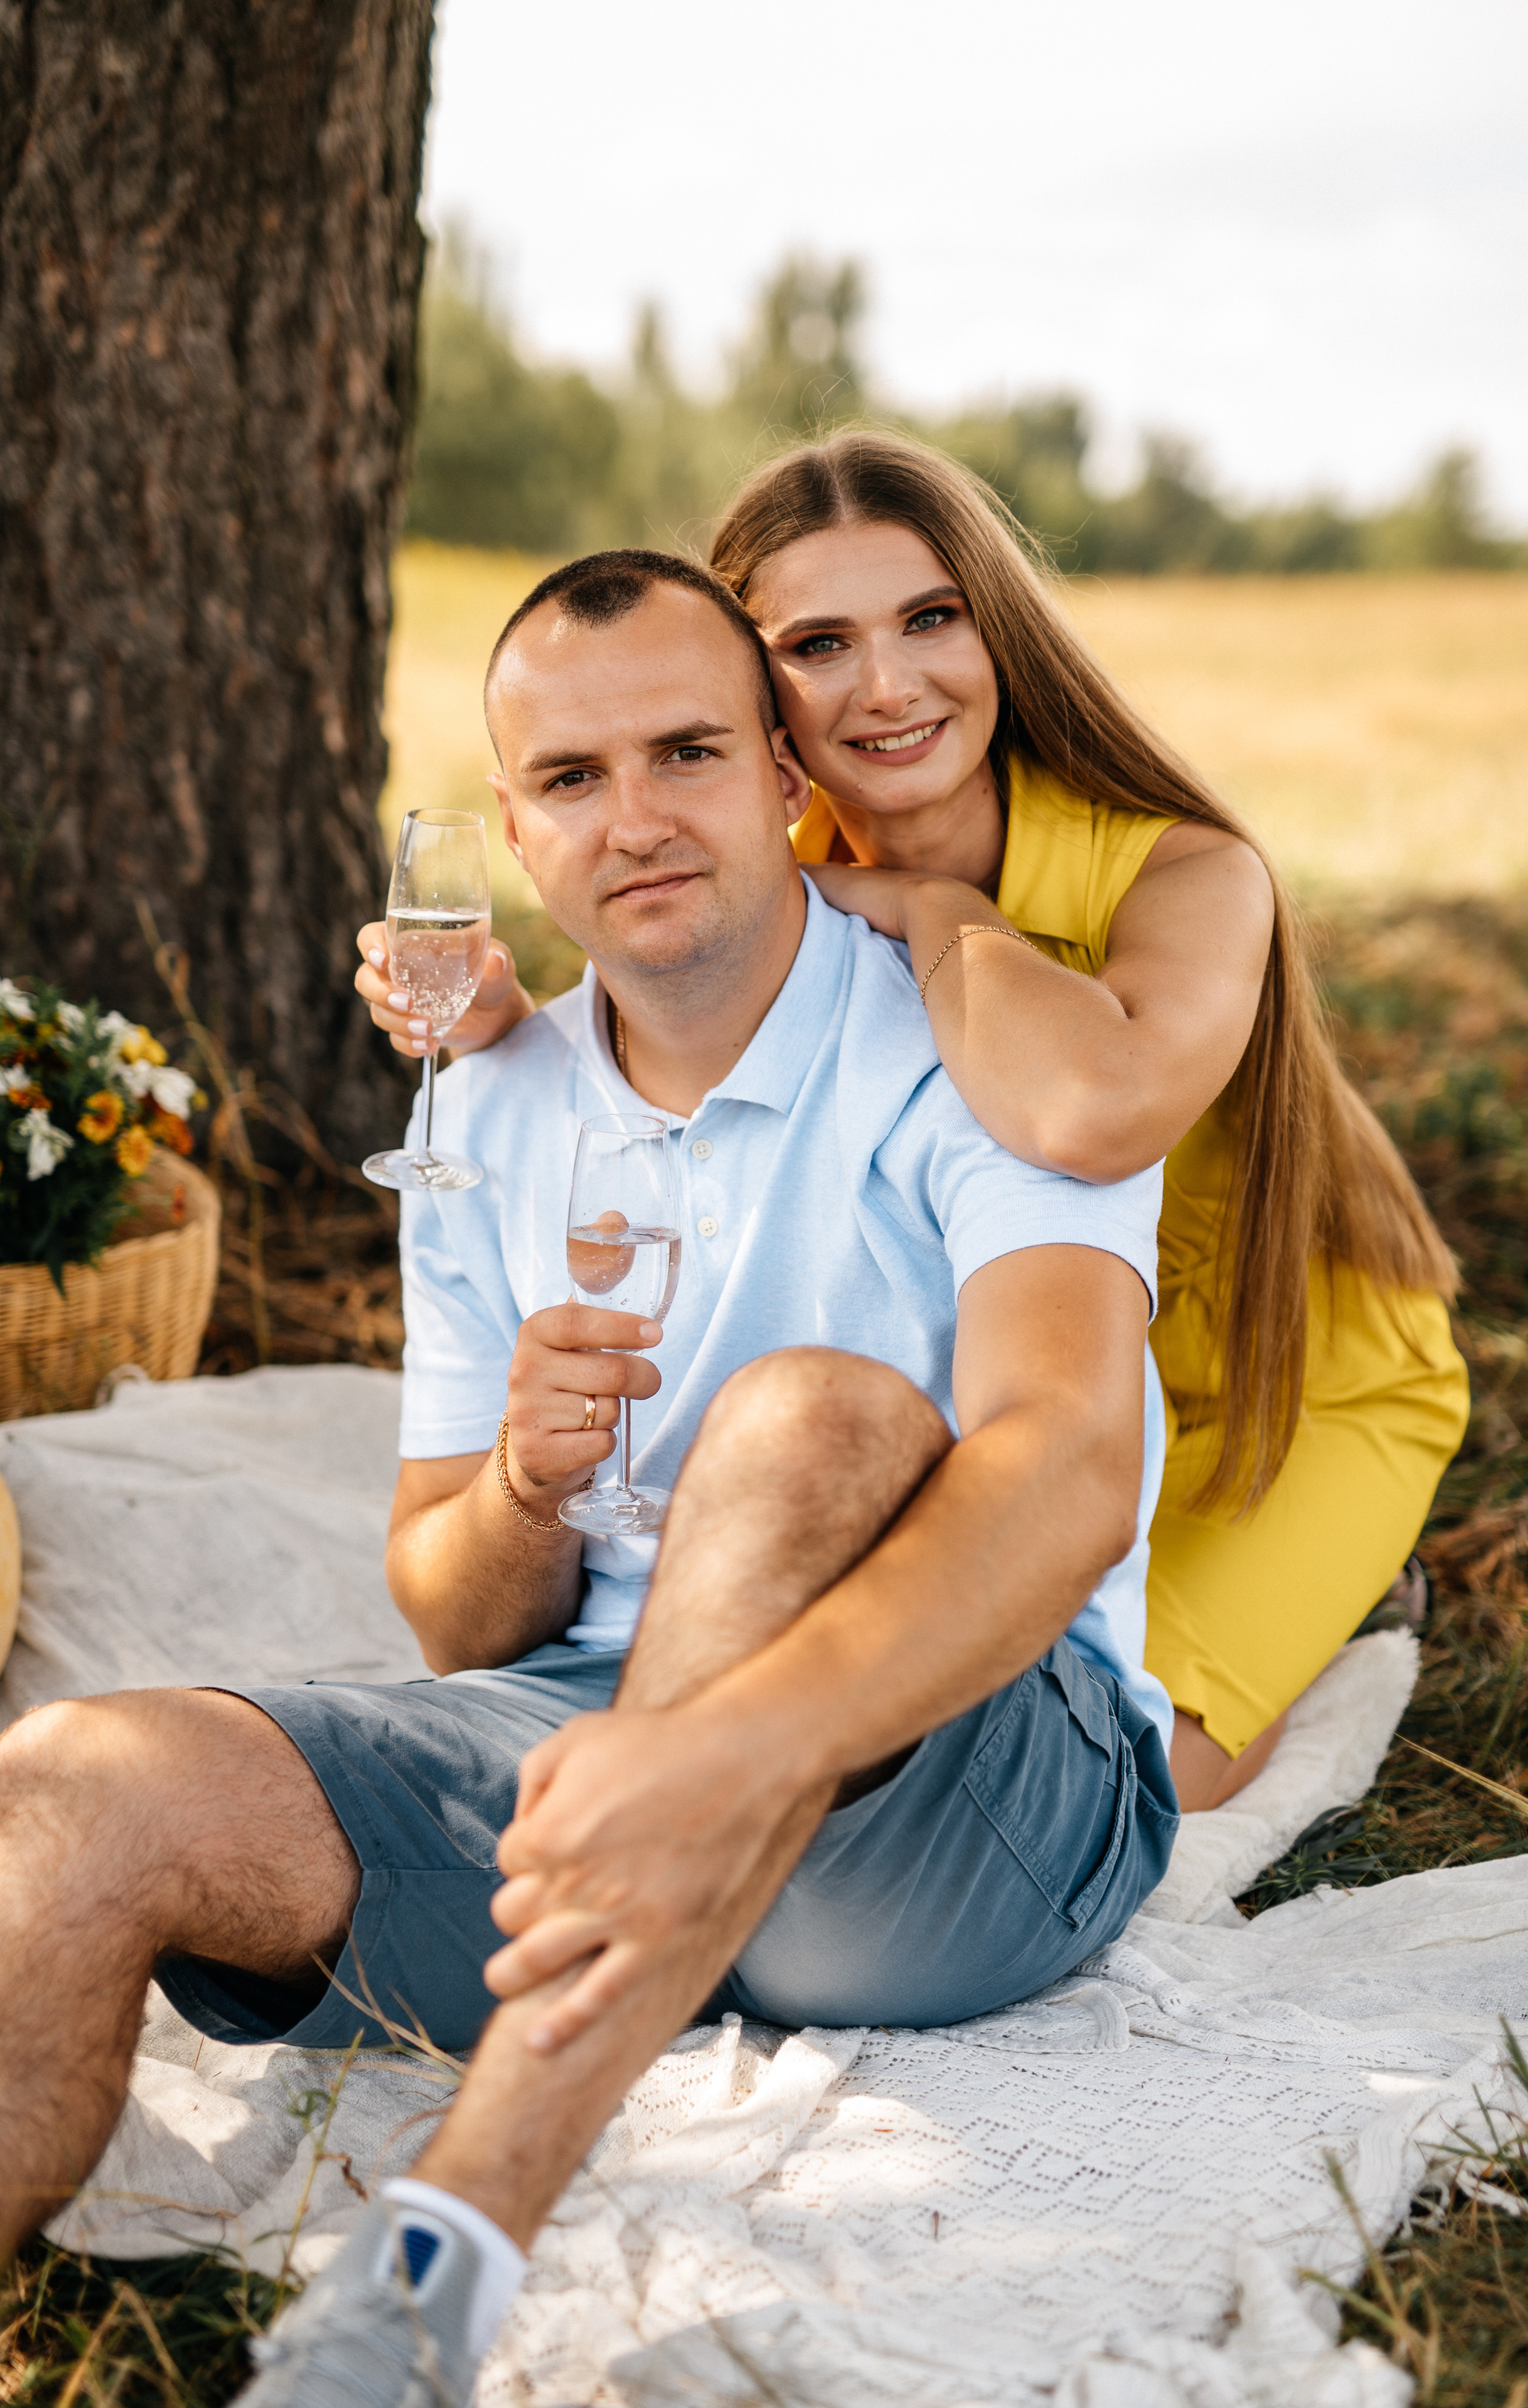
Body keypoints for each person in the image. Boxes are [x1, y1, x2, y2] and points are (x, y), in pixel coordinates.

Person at [0, 551, 1179, 2406]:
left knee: (799, 1423)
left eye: (688, 752)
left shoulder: (978, 1041)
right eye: (570, 781)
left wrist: (702, 1752)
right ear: (513, 839)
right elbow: (453, 1611)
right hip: (588, 1727)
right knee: (74, 1786)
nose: (634, 819)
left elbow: (1074, 1467)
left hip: (977, 1781)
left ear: (790, 773)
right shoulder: (487, 1104)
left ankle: (424, 2276)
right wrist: (529, 1493)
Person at [370, 433, 1469, 1813]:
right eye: (818, 643)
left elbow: (1087, 1110)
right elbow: (653, 1017)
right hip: (1037, 1372)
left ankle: (1346, 1600)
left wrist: (933, 907)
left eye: (931, 619)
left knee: (1152, 1771)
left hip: (1279, 1376)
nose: (886, 686)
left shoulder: (1183, 872)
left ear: (996, 629)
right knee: (904, 1705)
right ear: (758, 695)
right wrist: (499, 1023)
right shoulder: (776, 853)